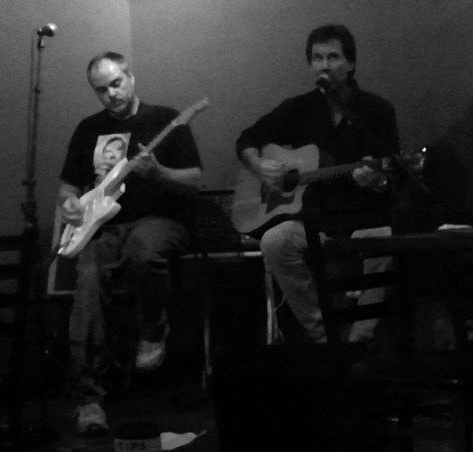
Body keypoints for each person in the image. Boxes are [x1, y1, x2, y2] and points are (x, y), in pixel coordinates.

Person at [58, 51, 203, 435]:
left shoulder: (167, 120)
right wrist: (69, 204)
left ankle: (153, 330)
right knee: (87, 284)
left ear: (131, 77)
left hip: (161, 221)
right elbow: (68, 187)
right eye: (101, 89)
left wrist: (159, 173)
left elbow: (194, 181)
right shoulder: (88, 129)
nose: (111, 94)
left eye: (116, 83)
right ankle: (89, 401)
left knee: (143, 248)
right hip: (105, 227)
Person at [236, 24, 399, 344]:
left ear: (350, 63)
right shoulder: (298, 109)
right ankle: (324, 336)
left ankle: (360, 340)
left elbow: (391, 177)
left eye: (333, 57)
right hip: (314, 220)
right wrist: (258, 164)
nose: (324, 65)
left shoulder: (377, 111)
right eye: (317, 58)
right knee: (273, 241)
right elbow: (247, 139)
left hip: (364, 219)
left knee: (386, 239)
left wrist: (376, 180)